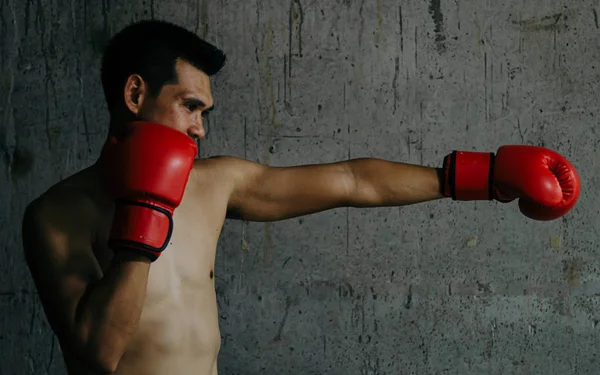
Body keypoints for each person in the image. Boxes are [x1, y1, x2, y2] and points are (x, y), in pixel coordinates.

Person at [21, 20, 581, 375]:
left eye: (205, 114)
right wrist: (144, 217)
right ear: (135, 93)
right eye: (191, 106)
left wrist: (482, 178)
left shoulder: (217, 184)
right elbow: (97, 356)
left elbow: (353, 181)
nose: (201, 130)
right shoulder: (55, 215)